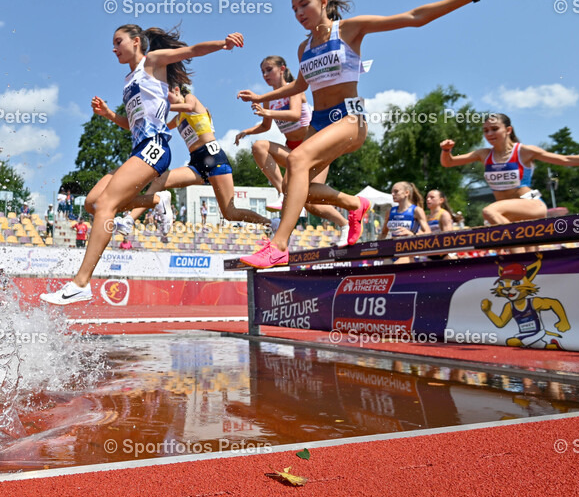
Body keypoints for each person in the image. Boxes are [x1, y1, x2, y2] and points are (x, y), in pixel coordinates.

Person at [237, 0, 528, 269]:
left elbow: (415, 17)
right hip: (320, 122)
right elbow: (300, 86)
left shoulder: (350, 29)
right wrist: (262, 98)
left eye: (304, 5)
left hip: (349, 119)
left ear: (323, 2)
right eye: (294, 9)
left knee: (297, 161)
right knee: (302, 191)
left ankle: (279, 246)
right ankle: (356, 204)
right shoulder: (304, 48)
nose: (298, 13)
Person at [40, 25, 243, 304]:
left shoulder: (152, 61)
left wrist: (223, 43)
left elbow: (192, 50)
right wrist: (110, 114)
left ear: (136, 42)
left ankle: (81, 283)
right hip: (140, 148)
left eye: (118, 42)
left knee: (107, 205)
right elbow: (132, 124)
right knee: (92, 202)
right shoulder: (128, 80)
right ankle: (157, 199)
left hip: (156, 147)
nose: (113, 48)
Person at [112, 85, 271, 238]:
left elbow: (188, 107)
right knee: (160, 180)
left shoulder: (190, 99)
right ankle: (129, 220)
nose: (163, 99)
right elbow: (158, 128)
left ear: (176, 89)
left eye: (165, 95)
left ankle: (269, 223)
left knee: (230, 213)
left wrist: (161, 105)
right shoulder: (178, 118)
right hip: (196, 163)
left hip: (214, 158)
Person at [235, 56, 350, 245]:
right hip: (292, 151)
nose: (265, 75)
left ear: (282, 69)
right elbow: (265, 126)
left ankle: (344, 222)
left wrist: (268, 112)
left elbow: (295, 115)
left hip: (314, 149)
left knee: (311, 202)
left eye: (268, 69)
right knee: (259, 146)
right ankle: (283, 192)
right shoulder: (269, 100)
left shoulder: (295, 88)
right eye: (262, 71)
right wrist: (247, 132)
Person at [440, 113, 579, 225]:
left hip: (529, 201)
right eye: (486, 130)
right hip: (507, 211)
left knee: (489, 213)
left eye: (494, 129)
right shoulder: (483, 154)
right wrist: (446, 150)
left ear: (508, 130)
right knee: (519, 251)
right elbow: (448, 162)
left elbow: (565, 159)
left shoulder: (524, 151)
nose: (489, 134)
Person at [381, 182, 430, 264]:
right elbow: (383, 233)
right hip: (392, 252)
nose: (392, 194)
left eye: (396, 191)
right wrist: (377, 247)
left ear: (407, 193)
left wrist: (412, 235)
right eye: (392, 192)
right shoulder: (390, 211)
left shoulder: (416, 210)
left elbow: (428, 233)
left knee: (396, 267)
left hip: (408, 252)